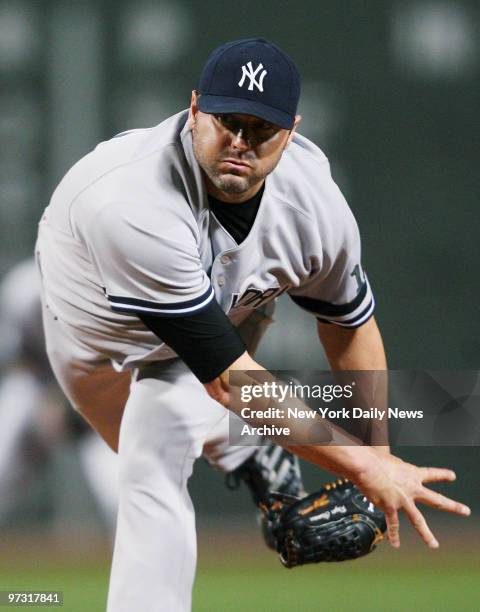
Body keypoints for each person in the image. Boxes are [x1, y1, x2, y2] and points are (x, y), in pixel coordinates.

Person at [36, 38, 470, 611]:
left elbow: (349, 327)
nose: (240, 141)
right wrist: (363, 466)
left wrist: (379, 451)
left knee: (153, 447)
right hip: (91, 335)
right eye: (227, 121)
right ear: (194, 110)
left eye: (260, 128)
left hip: (218, 324)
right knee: (156, 429)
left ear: (291, 130)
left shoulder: (316, 204)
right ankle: (246, 449)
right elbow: (228, 382)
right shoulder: (130, 201)